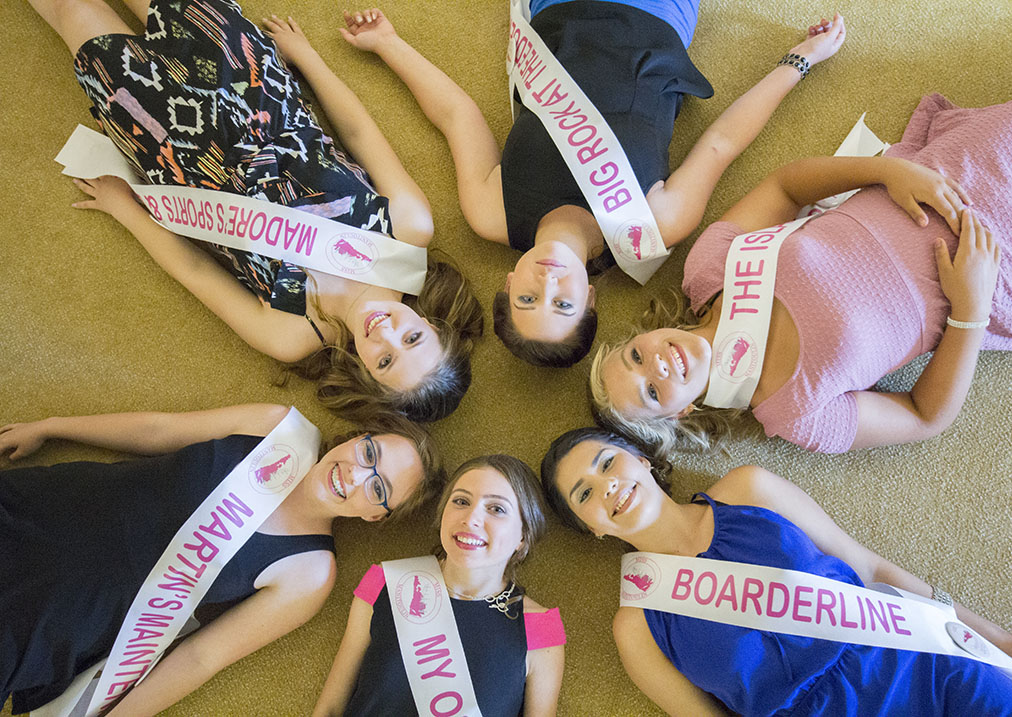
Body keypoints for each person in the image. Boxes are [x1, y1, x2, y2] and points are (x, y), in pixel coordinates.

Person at [29, 0, 483, 422]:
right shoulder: (407, 232)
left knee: (71, 9)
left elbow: (196, 270)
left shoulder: (291, 335)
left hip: (169, 141)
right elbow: (358, 133)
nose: (385, 335)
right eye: (412, 339)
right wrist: (307, 59)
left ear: (366, 374)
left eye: (385, 361)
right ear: (433, 324)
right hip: (250, 84)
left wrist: (126, 209)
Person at [337, 4, 846, 367]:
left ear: (509, 284)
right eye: (563, 304)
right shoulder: (654, 227)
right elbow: (721, 143)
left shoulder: (491, 212)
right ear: (592, 300)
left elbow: (455, 116)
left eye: (528, 300)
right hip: (658, 15)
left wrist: (388, 44)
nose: (548, 284)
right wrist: (800, 60)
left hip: (555, 13)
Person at [591, 88, 1012, 454]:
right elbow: (923, 415)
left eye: (635, 356)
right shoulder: (794, 413)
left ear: (644, 336)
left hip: (959, 172)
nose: (654, 365)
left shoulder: (709, 271)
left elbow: (785, 188)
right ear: (681, 413)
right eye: (652, 392)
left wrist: (885, 171)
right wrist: (970, 310)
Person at [540, 426, 1012, 716]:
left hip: (913, 665)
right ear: (594, 530)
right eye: (584, 493)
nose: (606, 485)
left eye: (607, 461)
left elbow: (871, 568)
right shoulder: (636, 626)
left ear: (642, 458)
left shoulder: (749, 490)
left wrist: (1001, 639)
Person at [0, 402, 444, 715]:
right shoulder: (279, 428)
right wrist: (52, 426)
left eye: (379, 488)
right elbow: (157, 431)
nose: (357, 473)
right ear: (358, 438)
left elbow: (201, 658)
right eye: (370, 452)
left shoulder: (310, 573)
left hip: (55, 618)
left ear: (373, 516)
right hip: (39, 509)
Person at [313, 455, 565, 716]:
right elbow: (330, 708)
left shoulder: (540, 626)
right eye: (461, 501)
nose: (471, 518)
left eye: (497, 509)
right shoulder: (385, 583)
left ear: (523, 537)